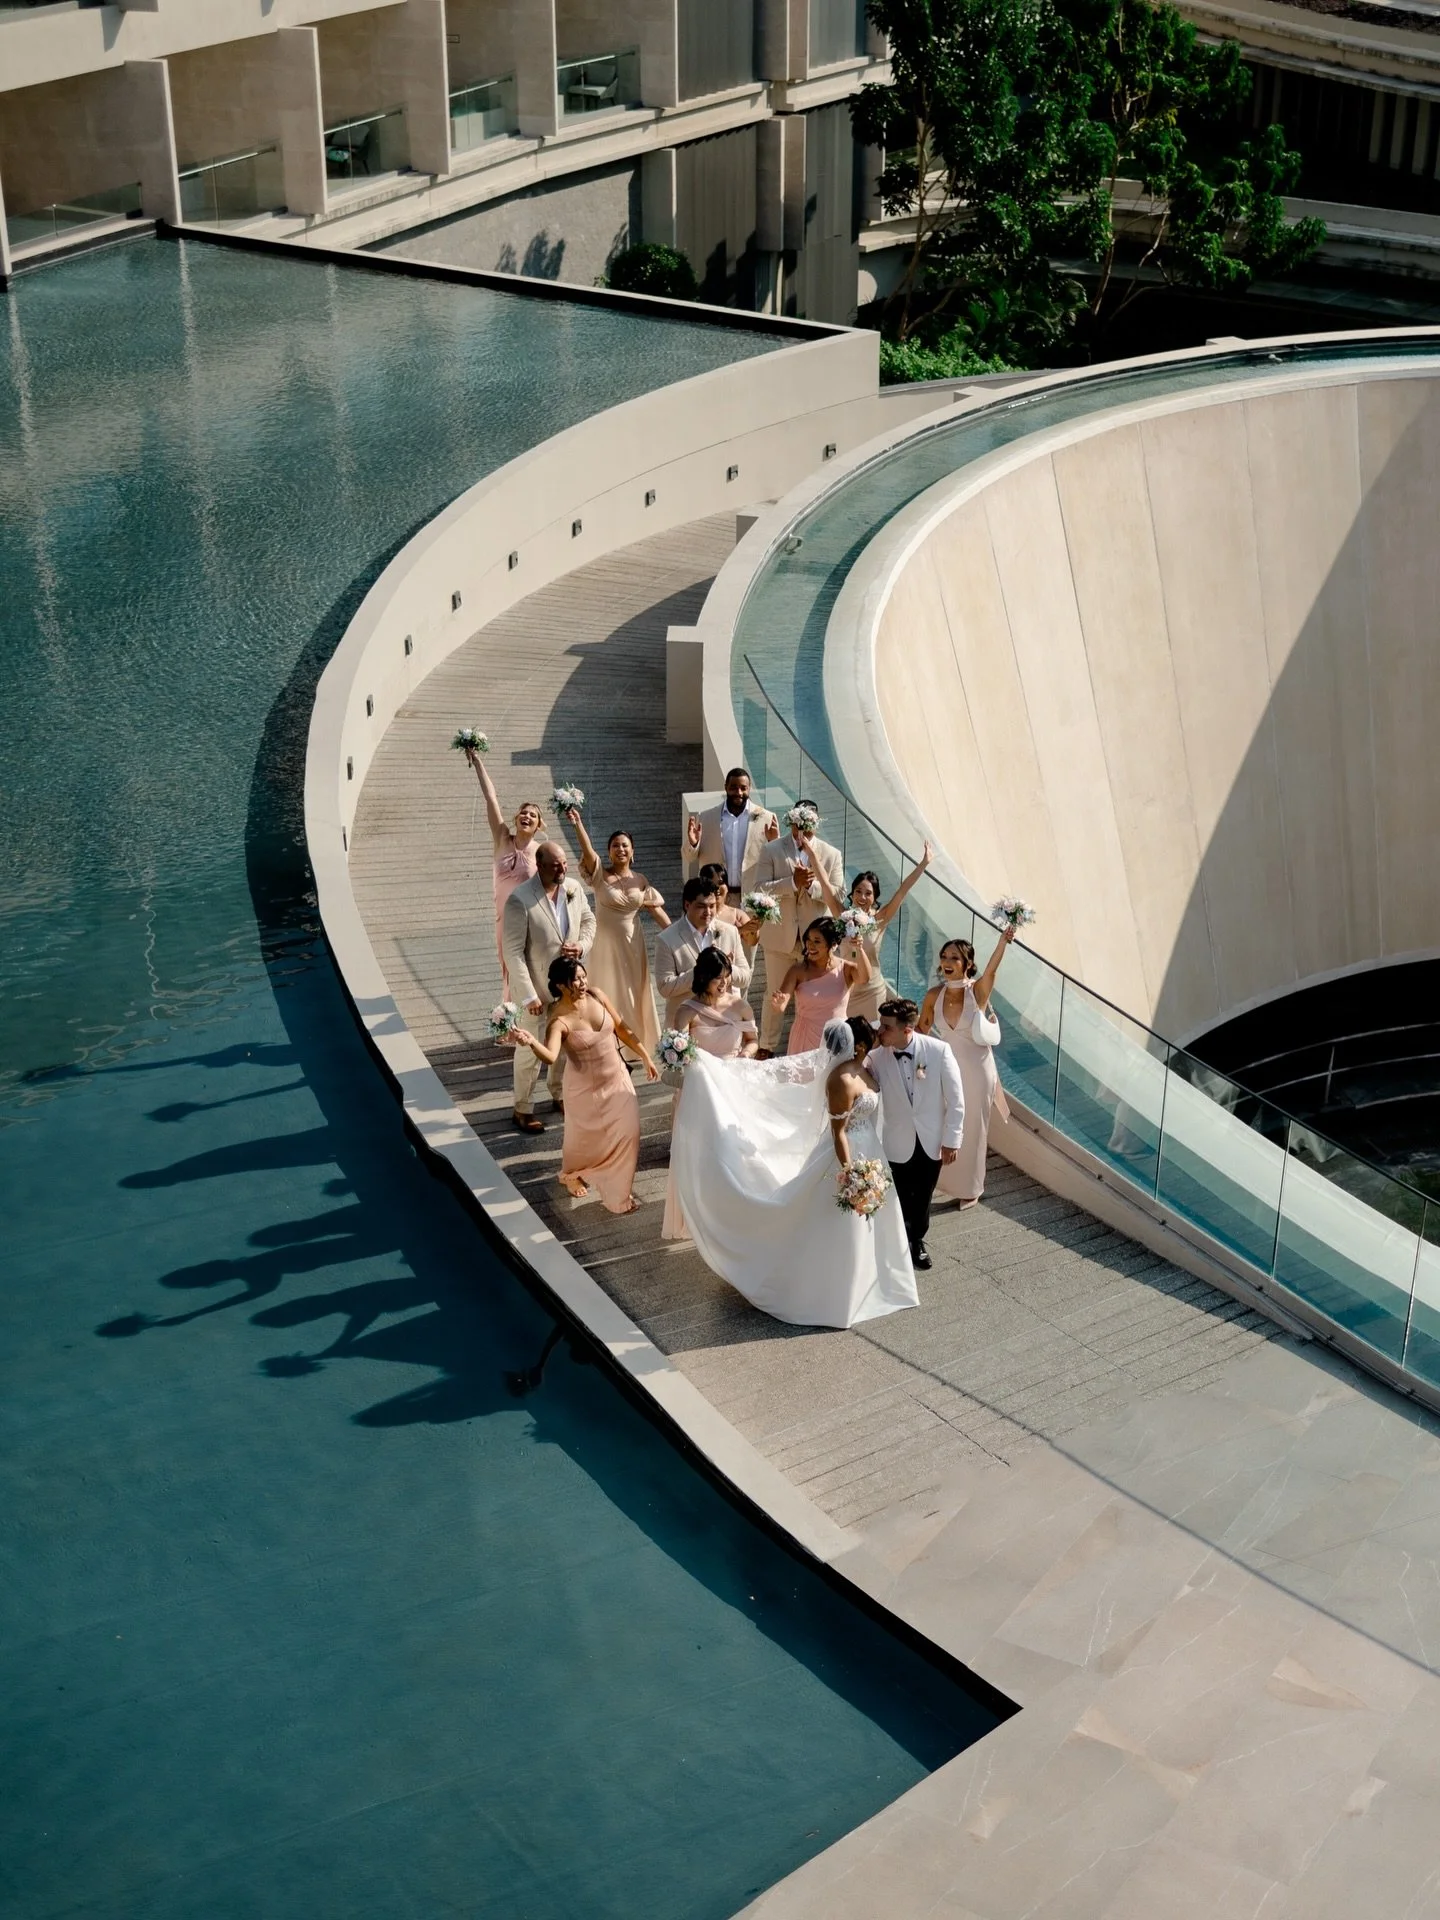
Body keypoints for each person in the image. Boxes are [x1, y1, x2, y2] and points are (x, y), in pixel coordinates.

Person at [667, 1017, 917, 1327]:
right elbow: (838, 1132)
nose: (880, 1035)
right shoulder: (839, 1080)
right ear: (860, 1047)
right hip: (848, 1157)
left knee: (875, 1221)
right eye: (873, 1036)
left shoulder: (867, 1067)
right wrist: (853, 1174)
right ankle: (838, 1295)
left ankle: (877, 1282)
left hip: (872, 1151)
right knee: (838, 1224)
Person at [509, 956, 658, 1213]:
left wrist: (645, 1056)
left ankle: (617, 1193)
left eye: (582, 976)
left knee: (630, 1132)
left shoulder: (597, 995)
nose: (581, 983)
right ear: (560, 986)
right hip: (584, 1090)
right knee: (583, 1139)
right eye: (575, 980)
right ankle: (572, 1173)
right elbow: (551, 1056)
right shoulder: (558, 1019)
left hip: (617, 1078)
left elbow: (621, 1028)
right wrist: (530, 1041)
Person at [661, 946, 757, 1241]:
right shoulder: (687, 1011)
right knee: (699, 1153)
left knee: (732, 1150)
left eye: (727, 977)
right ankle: (699, 1214)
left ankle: (729, 1212)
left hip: (733, 1086)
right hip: (700, 1091)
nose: (725, 983)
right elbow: (679, 1053)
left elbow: (753, 1041)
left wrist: (744, 1056)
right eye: (718, 978)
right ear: (703, 978)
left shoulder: (740, 1006)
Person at [559, 804, 669, 1062]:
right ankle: (605, 1043)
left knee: (633, 992)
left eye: (624, 845)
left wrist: (681, 933)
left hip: (633, 943)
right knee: (605, 990)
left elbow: (656, 911)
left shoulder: (640, 880)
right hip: (605, 944)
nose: (620, 849)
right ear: (608, 851)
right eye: (615, 845)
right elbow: (587, 851)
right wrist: (577, 823)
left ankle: (634, 1045)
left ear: (632, 851)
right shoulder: (600, 876)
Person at [501, 841, 597, 1134]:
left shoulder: (573, 888)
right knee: (531, 1051)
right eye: (555, 865)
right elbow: (513, 951)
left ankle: (559, 1094)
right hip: (537, 990)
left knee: (565, 1045)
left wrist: (581, 945)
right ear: (539, 865)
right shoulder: (520, 899)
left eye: (564, 863)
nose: (562, 869)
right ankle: (523, 1108)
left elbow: (589, 920)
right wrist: (529, 994)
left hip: (568, 988)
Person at [920, 928, 1015, 1206]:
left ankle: (971, 1188)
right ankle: (942, 1180)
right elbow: (921, 1031)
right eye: (944, 956)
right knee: (942, 1122)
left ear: (968, 964)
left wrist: (1002, 942)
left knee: (973, 1128)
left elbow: (992, 970)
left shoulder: (977, 992)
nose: (947, 961)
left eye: (955, 958)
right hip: (945, 1068)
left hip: (977, 1070)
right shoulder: (933, 995)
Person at [868, 998, 964, 1272]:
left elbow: (956, 1099)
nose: (880, 1032)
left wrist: (951, 1139)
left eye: (886, 1028)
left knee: (922, 1198)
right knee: (897, 1196)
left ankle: (916, 1241)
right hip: (895, 1141)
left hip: (931, 1140)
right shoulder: (875, 1057)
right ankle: (895, 1245)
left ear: (907, 1029)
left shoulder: (939, 1051)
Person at [751, 811, 844, 1055]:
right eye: (799, 823)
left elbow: (838, 897)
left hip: (815, 943)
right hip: (780, 939)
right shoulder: (771, 849)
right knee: (775, 992)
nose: (803, 828)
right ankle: (767, 1047)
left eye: (809, 823)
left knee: (813, 997)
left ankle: (809, 1045)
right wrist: (791, 882)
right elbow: (758, 889)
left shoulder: (832, 854)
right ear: (792, 822)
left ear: (816, 823)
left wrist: (811, 886)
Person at [810, 844, 932, 1026]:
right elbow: (825, 884)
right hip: (846, 988)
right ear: (852, 894)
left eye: (868, 893)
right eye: (858, 891)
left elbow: (902, 891)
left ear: (875, 897)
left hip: (872, 989)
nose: (862, 897)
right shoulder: (842, 915)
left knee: (873, 1039)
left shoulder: (880, 920)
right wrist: (811, 852)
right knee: (847, 1039)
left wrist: (924, 863)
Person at [462, 746, 544, 995]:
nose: (526, 816)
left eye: (533, 815)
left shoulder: (542, 850)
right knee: (506, 966)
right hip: (503, 917)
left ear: (538, 825)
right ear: (516, 818)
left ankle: (525, 1021)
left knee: (527, 967)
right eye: (523, 812)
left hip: (529, 918)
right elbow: (491, 798)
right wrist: (477, 762)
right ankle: (508, 1020)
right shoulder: (501, 839)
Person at [654, 878, 751, 1025]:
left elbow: (745, 978)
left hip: (725, 1021)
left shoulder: (730, 932)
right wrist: (700, 972)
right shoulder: (666, 939)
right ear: (687, 905)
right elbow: (665, 988)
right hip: (685, 1025)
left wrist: (726, 969)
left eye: (712, 906)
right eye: (701, 906)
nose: (708, 912)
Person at [770, 917, 872, 1056]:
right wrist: (777, 1003)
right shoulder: (797, 970)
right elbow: (780, 1006)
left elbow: (865, 978)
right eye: (808, 940)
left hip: (836, 1037)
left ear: (832, 944)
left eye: (817, 941)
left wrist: (859, 949)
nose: (810, 946)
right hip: (804, 1039)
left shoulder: (846, 969)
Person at [683, 766, 778, 892]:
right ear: (726, 787)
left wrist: (774, 842)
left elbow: (775, 860)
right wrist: (693, 844)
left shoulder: (767, 818)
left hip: (752, 898)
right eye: (733, 787)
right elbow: (689, 858)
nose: (739, 793)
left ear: (749, 789)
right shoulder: (705, 818)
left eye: (743, 788)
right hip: (715, 897)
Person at [698, 862, 762, 957]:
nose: (717, 888)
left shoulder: (737, 914)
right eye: (712, 883)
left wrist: (754, 928)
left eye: (721, 883)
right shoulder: (698, 914)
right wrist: (740, 930)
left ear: (727, 887)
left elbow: (751, 942)